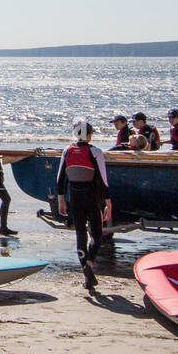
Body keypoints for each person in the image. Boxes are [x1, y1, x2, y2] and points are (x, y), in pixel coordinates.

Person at [56, 119, 112, 291]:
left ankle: (86, 275)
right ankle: (88, 263)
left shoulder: (67, 150)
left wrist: (61, 200)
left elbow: (60, 178)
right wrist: (108, 203)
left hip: (74, 196)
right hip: (92, 196)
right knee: (96, 233)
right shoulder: (96, 152)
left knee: (80, 233)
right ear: (89, 135)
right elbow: (103, 180)